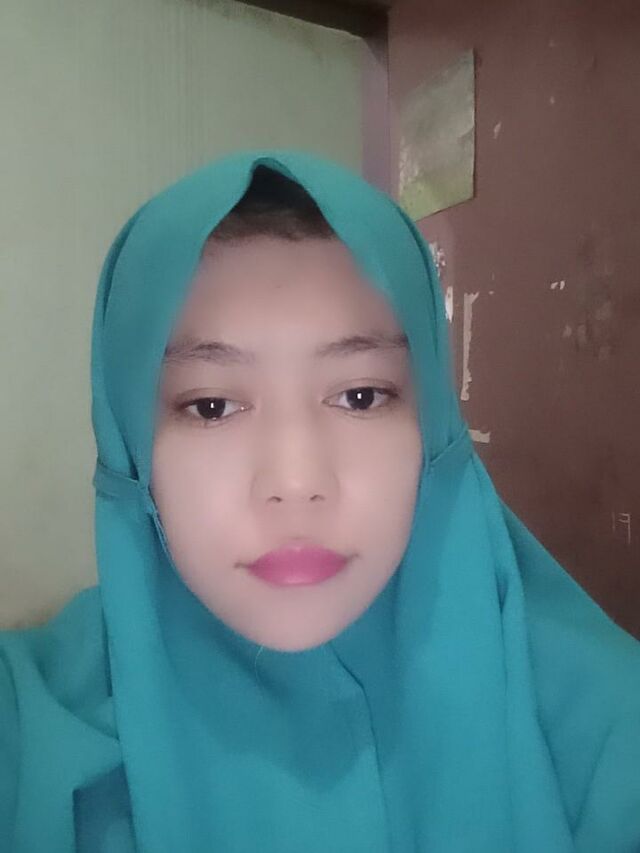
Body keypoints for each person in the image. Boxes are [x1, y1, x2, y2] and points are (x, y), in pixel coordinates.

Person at [1, 150, 639, 852]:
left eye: (361, 396)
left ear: (433, 425)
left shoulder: (607, 729)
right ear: (130, 443)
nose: (297, 480)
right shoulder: (31, 734)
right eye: (211, 406)